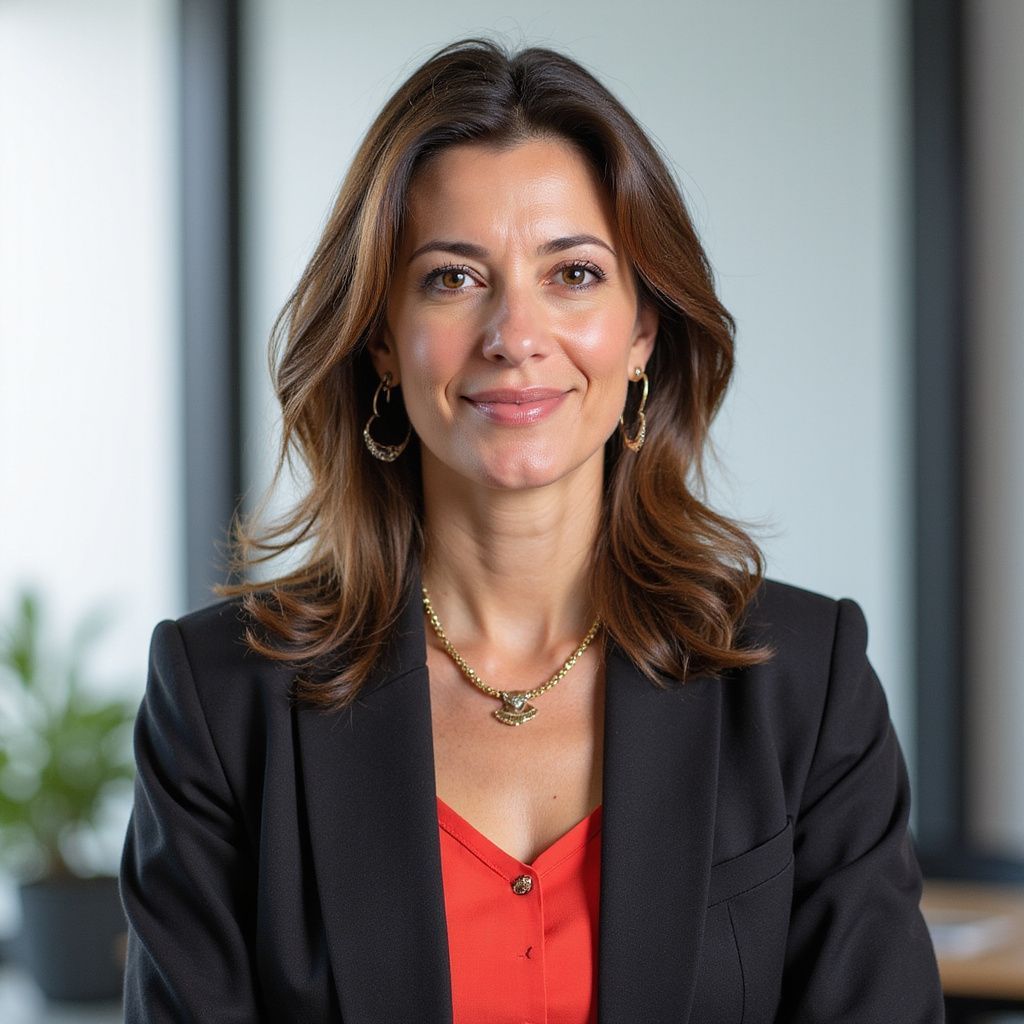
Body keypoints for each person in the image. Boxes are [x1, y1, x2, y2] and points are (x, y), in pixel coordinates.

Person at [120, 38, 944, 1023]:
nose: (515, 334)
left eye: (575, 274)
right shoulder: (220, 700)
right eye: (453, 278)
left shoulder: (804, 687)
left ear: (641, 332)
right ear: (382, 336)